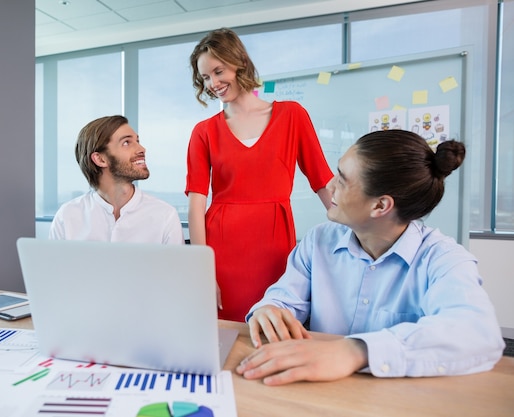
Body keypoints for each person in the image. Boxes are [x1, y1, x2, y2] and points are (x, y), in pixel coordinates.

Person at [236, 130, 505, 384]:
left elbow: (478, 333)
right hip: (318, 391)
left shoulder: (443, 259)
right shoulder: (319, 241)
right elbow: (283, 298)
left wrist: (355, 350)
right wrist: (269, 309)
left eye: (341, 179)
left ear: (380, 205)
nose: (329, 185)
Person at [185, 28, 334, 322]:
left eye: (218, 71)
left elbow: (322, 181)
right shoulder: (204, 132)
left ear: (239, 62)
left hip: (275, 246)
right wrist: (203, 270)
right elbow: (195, 206)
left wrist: (359, 227)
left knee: (276, 325)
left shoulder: (293, 116)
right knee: (225, 335)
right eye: (205, 77)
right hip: (222, 248)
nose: (213, 83)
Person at [49, 115, 184, 244]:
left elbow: (178, 268)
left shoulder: (165, 215)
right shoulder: (67, 217)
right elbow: (52, 267)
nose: (142, 149)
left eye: (137, 141)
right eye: (126, 142)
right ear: (100, 159)